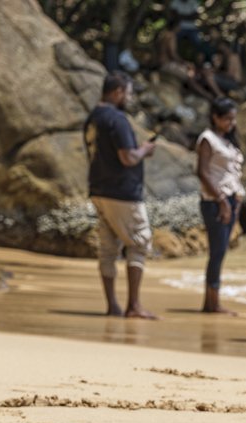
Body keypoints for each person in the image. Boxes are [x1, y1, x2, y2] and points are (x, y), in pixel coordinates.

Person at [84, 72, 158, 320]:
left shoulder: (94, 117)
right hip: (122, 193)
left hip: (99, 189)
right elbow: (127, 157)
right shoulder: (117, 119)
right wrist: (145, 149)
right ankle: (134, 306)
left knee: (108, 249)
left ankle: (113, 305)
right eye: (128, 93)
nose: (130, 98)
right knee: (139, 243)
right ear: (117, 92)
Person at [195, 98, 244, 315]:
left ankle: (212, 300)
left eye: (233, 119)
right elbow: (203, 172)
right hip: (215, 200)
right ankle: (212, 302)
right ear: (215, 117)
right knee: (217, 251)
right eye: (227, 119)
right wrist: (222, 201)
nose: (231, 123)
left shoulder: (228, 141)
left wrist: (235, 203)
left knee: (221, 251)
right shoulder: (208, 139)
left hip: (231, 199)